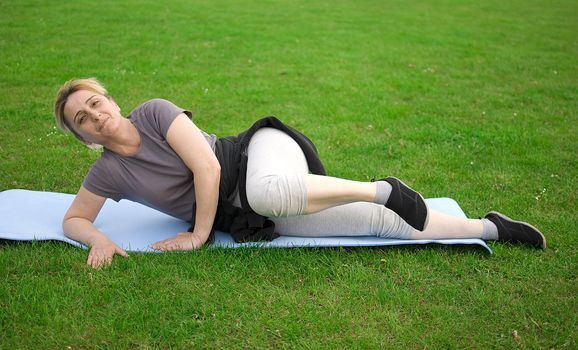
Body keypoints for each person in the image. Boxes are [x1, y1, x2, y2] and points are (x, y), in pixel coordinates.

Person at [54, 78, 546, 269]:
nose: (95, 115)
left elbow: (206, 166)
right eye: (82, 119)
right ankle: (491, 227)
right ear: (85, 137)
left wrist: (197, 236)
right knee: (379, 225)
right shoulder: (109, 173)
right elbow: (73, 219)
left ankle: (383, 189)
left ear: (111, 100)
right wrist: (96, 238)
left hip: (257, 154)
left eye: (95, 103)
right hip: (247, 211)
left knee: (266, 190)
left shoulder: (155, 112)